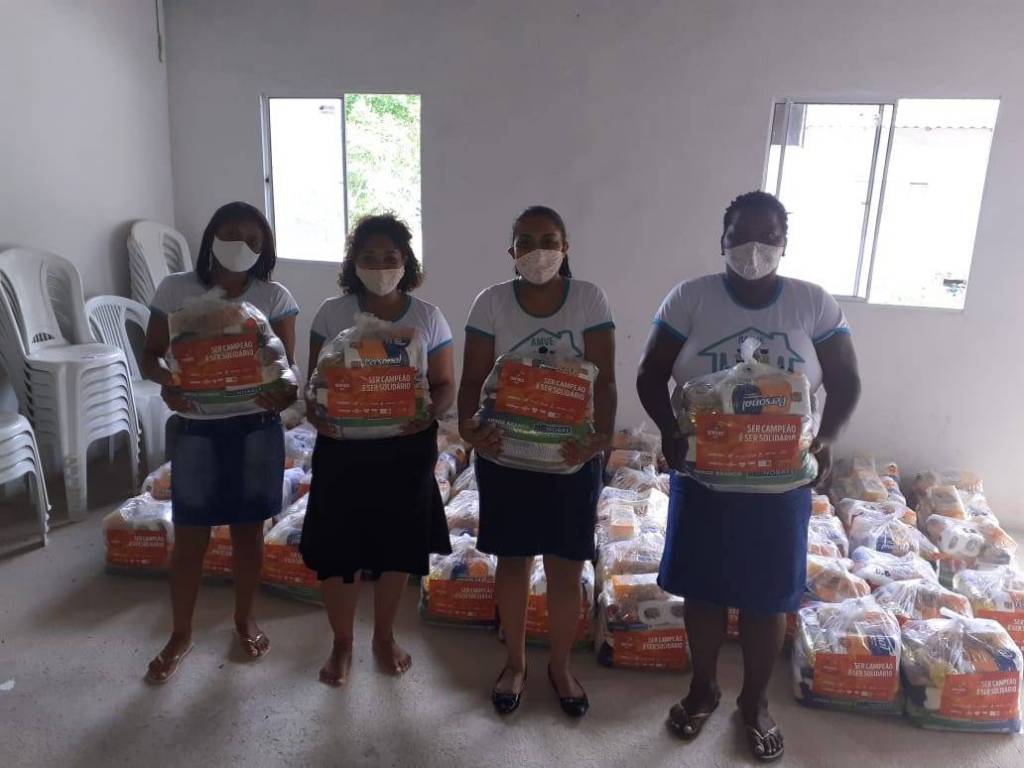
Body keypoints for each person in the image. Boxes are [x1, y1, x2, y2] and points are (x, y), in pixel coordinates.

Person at [636, 191, 860, 762]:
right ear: (723, 239)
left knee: (767, 599)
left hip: (778, 484)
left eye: (768, 237)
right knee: (703, 591)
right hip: (704, 476)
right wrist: (669, 431)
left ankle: (755, 702)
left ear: (784, 244)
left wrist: (828, 437)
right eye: (741, 236)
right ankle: (703, 688)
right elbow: (650, 373)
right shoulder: (690, 298)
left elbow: (845, 379)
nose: (753, 249)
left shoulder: (812, 304)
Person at [458, 206, 616, 717]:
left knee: (566, 570)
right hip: (507, 457)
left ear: (565, 248)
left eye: (549, 240)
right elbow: (473, 378)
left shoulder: (588, 298)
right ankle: (516, 663)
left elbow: (605, 380)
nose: (538, 251)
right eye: (526, 242)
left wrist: (599, 441)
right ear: (512, 252)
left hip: (571, 459)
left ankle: (560, 665)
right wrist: (468, 428)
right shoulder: (491, 302)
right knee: (513, 563)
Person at [142, 201, 299, 683]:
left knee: (248, 534)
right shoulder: (175, 290)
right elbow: (151, 355)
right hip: (197, 429)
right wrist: (168, 382)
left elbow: (284, 367)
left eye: (253, 240)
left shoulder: (275, 296)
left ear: (264, 249)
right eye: (231, 234)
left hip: (256, 429)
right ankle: (180, 633)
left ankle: (244, 619)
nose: (241, 245)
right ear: (211, 236)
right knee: (191, 536)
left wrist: (282, 392)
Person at [299, 214, 455, 687]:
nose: (381, 266)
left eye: (391, 257)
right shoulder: (331, 313)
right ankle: (342, 642)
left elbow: (444, 383)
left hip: (406, 450)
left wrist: (428, 414)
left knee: (397, 548)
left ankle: (384, 636)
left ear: (406, 261)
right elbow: (316, 384)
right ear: (353, 262)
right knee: (338, 549)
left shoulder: (427, 316)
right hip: (342, 450)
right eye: (369, 257)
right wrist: (316, 412)